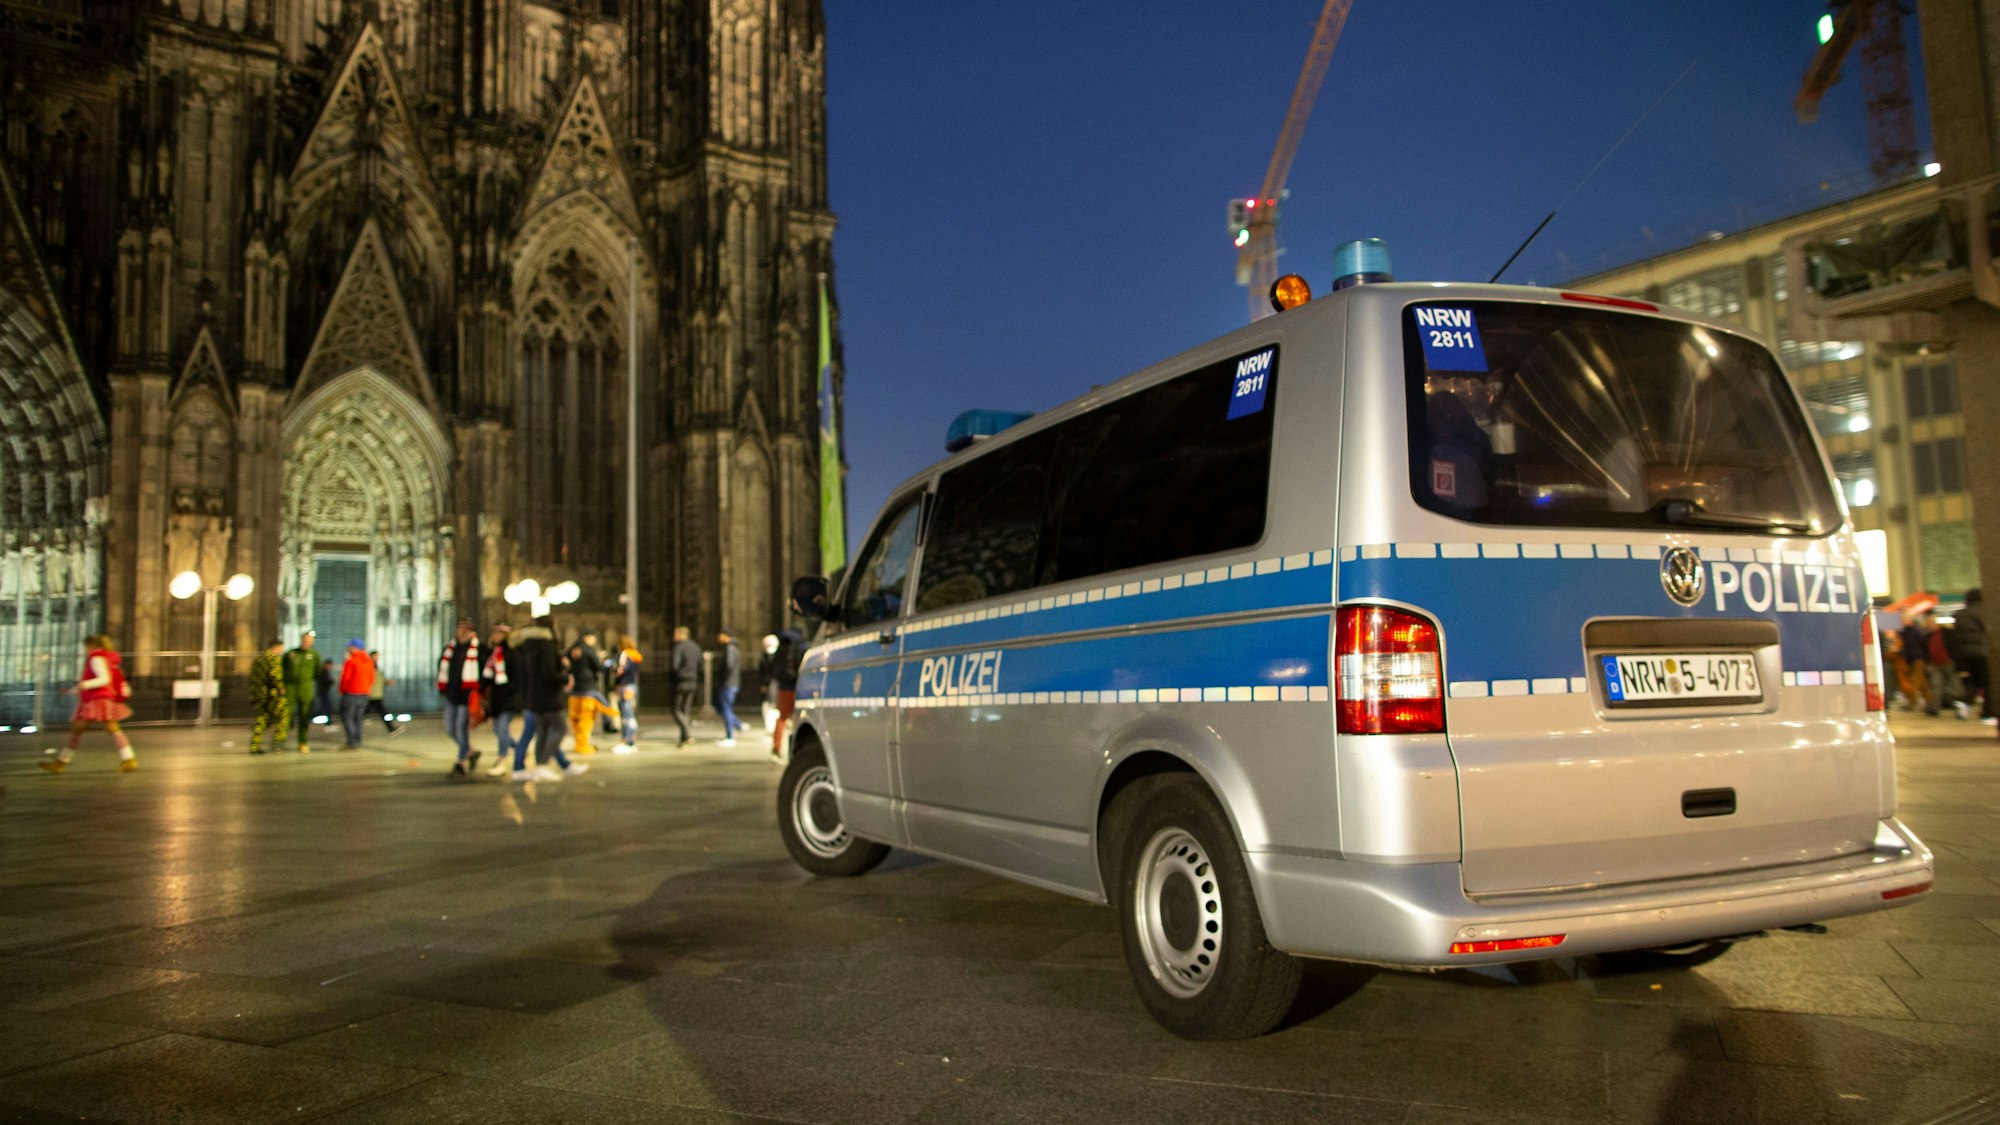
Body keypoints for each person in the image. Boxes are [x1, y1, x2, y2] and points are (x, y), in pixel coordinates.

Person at [40, 634, 135, 774]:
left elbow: (104, 679)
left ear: (89, 646)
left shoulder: (96, 658)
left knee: (80, 729)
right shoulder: (104, 658)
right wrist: (74, 690)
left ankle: (60, 762)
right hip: (99, 698)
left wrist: (84, 684)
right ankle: (128, 758)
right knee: (110, 728)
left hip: (96, 700)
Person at [508, 615, 587, 781]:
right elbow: (547, 672)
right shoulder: (546, 645)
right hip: (547, 697)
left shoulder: (528, 645)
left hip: (532, 696)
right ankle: (539, 765)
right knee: (558, 729)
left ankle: (558, 765)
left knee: (542, 732)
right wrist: (565, 677)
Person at [480, 623, 532, 776]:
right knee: (497, 729)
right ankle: (519, 749)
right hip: (497, 698)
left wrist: (513, 692)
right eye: (494, 633)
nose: (495, 636)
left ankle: (501, 760)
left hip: (509, 698)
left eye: (499, 634)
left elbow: (518, 677)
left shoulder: (512, 653)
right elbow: (487, 677)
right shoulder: (492, 653)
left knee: (502, 729)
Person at [438, 620, 482, 777]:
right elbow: (442, 668)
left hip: (467, 696)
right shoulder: (450, 648)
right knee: (450, 729)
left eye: (466, 629)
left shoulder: (477, 650)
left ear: (472, 632)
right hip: (452, 694)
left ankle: (460, 762)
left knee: (460, 729)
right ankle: (471, 751)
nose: (462, 632)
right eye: (460, 629)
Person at [566, 630, 615, 756]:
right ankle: (608, 724)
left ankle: (579, 743)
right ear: (588, 637)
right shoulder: (588, 650)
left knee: (576, 719)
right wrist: (607, 663)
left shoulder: (573, 650)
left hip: (575, 690)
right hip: (588, 688)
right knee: (589, 718)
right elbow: (599, 667)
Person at [247, 638, 289, 755]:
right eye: (281, 647)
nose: (282, 650)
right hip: (272, 696)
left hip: (259, 695)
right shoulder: (274, 659)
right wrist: (281, 688)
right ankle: (277, 743)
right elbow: (275, 676)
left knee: (261, 720)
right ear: (276, 647)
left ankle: (254, 746)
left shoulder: (258, 659)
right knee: (283, 717)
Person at [1958, 588, 1992, 725]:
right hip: (1984, 652)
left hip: (1965, 654)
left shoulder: (1960, 615)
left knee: (1971, 679)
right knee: (1988, 682)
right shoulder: (1985, 612)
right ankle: (1987, 714)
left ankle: (1965, 703)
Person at [769, 627, 803, 760]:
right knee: (798, 719)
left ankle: (776, 748)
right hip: (798, 687)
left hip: (783, 688)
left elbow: (772, 668)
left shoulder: (781, 648)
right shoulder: (800, 647)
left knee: (782, 719)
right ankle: (796, 751)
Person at [281, 630, 318, 752]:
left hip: (305, 690)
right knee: (286, 715)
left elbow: (318, 672)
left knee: (304, 717)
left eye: (308, 641)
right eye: (304, 640)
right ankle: (280, 740)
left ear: (312, 642)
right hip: (290, 689)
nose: (306, 642)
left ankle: (302, 742)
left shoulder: (314, 655)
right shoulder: (291, 654)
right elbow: (282, 669)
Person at [337, 640, 374, 750]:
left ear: (354, 648)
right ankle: (357, 740)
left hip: (351, 694)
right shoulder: (369, 661)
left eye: (349, 647)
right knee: (358, 718)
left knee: (347, 717)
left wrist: (341, 690)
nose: (347, 648)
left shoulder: (351, 661)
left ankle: (352, 742)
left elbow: (345, 678)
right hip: (364, 694)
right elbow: (372, 678)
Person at [669, 626, 701, 747]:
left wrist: (676, 676)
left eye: (675, 635)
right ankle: (683, 738)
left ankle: (687, 734)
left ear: (681, 635)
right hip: (693, 680)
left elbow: (675, 666)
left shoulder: (679, 647)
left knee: (676, 709)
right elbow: (700, 665)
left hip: (681, 681)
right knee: (685, 710)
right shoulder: (696, 647)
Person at [610, 634, 642, 754]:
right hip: (632, 686)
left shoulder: (625, 654)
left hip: (625, 686)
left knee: (626, 714)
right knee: (629, 713)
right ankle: (631, 739)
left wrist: (614, 668)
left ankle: (627, 740)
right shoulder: (635, 654)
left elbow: (621, 670)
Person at [1922, 613, 1959, 717]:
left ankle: (1959, 706)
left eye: (1930, 623)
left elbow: (1954, 646)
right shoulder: (1928, 636)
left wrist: (1954, 659)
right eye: (1928, 623)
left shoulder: (1947, 633)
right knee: (1936, 686)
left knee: (1954, 686)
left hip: (1948, 662)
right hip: (1935, 664)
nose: (1929, 625)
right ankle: (1934, 708)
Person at [714, 630, 742, 747]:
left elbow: (729, 666)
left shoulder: (729, 648)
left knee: (725, 708)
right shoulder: (734, 647)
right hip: (732, 682)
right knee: (726, 707)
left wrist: (723, 678)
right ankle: (738, 724)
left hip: (728, 683)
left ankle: (730, 736)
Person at [1897, 614, 1929, 712]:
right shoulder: (1905, 633)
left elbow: (1923, 644)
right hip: (1912, 659)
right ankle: (1930, 701)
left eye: (1905, 619)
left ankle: (1912, 703)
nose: (1903, 621)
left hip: (1918, 658)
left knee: (1915, 681)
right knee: (1922, 682)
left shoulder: (1915, 631)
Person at [365, 651, 402, 734]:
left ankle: (391, 728)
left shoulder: (376, 666)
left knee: (383, 712)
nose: (377, 658)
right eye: (376, 656)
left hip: (376, 694)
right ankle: (391, 728)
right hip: (372, 694)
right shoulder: (369, 666)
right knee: (383, 712)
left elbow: (378, 679)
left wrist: (386, 682)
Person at [759, 634, 782, 733]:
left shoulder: (767, 655)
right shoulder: (779, 654)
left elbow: (765, 671)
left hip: (771, 683)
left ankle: (771, 728)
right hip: (776, 683)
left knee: (769, 706)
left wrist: (764, 683)